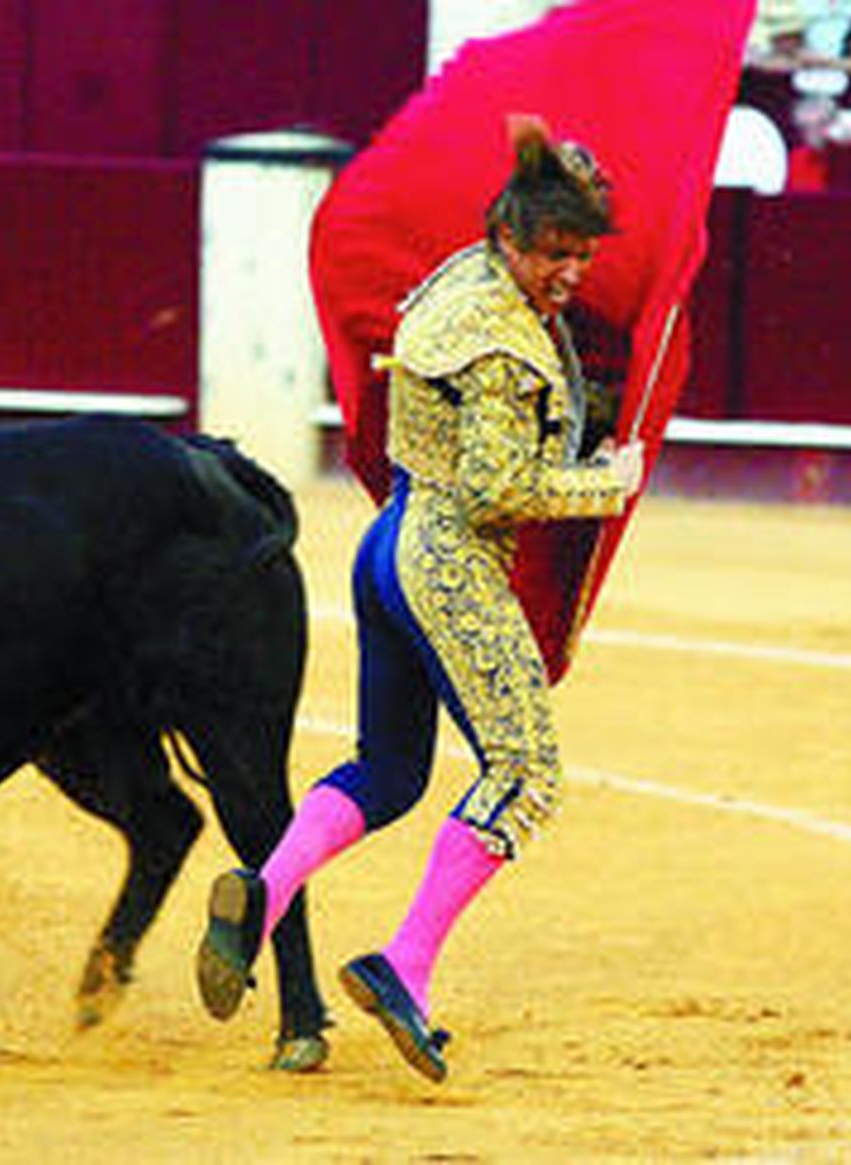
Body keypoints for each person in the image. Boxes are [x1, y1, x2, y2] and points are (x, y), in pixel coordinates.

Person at [195, 117, 644, 1083]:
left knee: (390, 768)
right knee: (523, 774)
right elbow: (497, 488)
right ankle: (405, 964)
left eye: (581, 254)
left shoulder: (461, 279)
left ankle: (262, 896)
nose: (568, 272)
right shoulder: (503, 344)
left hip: (386, 547)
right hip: (448, 560)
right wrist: (612, 479)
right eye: (553, 253)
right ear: (510, 240)